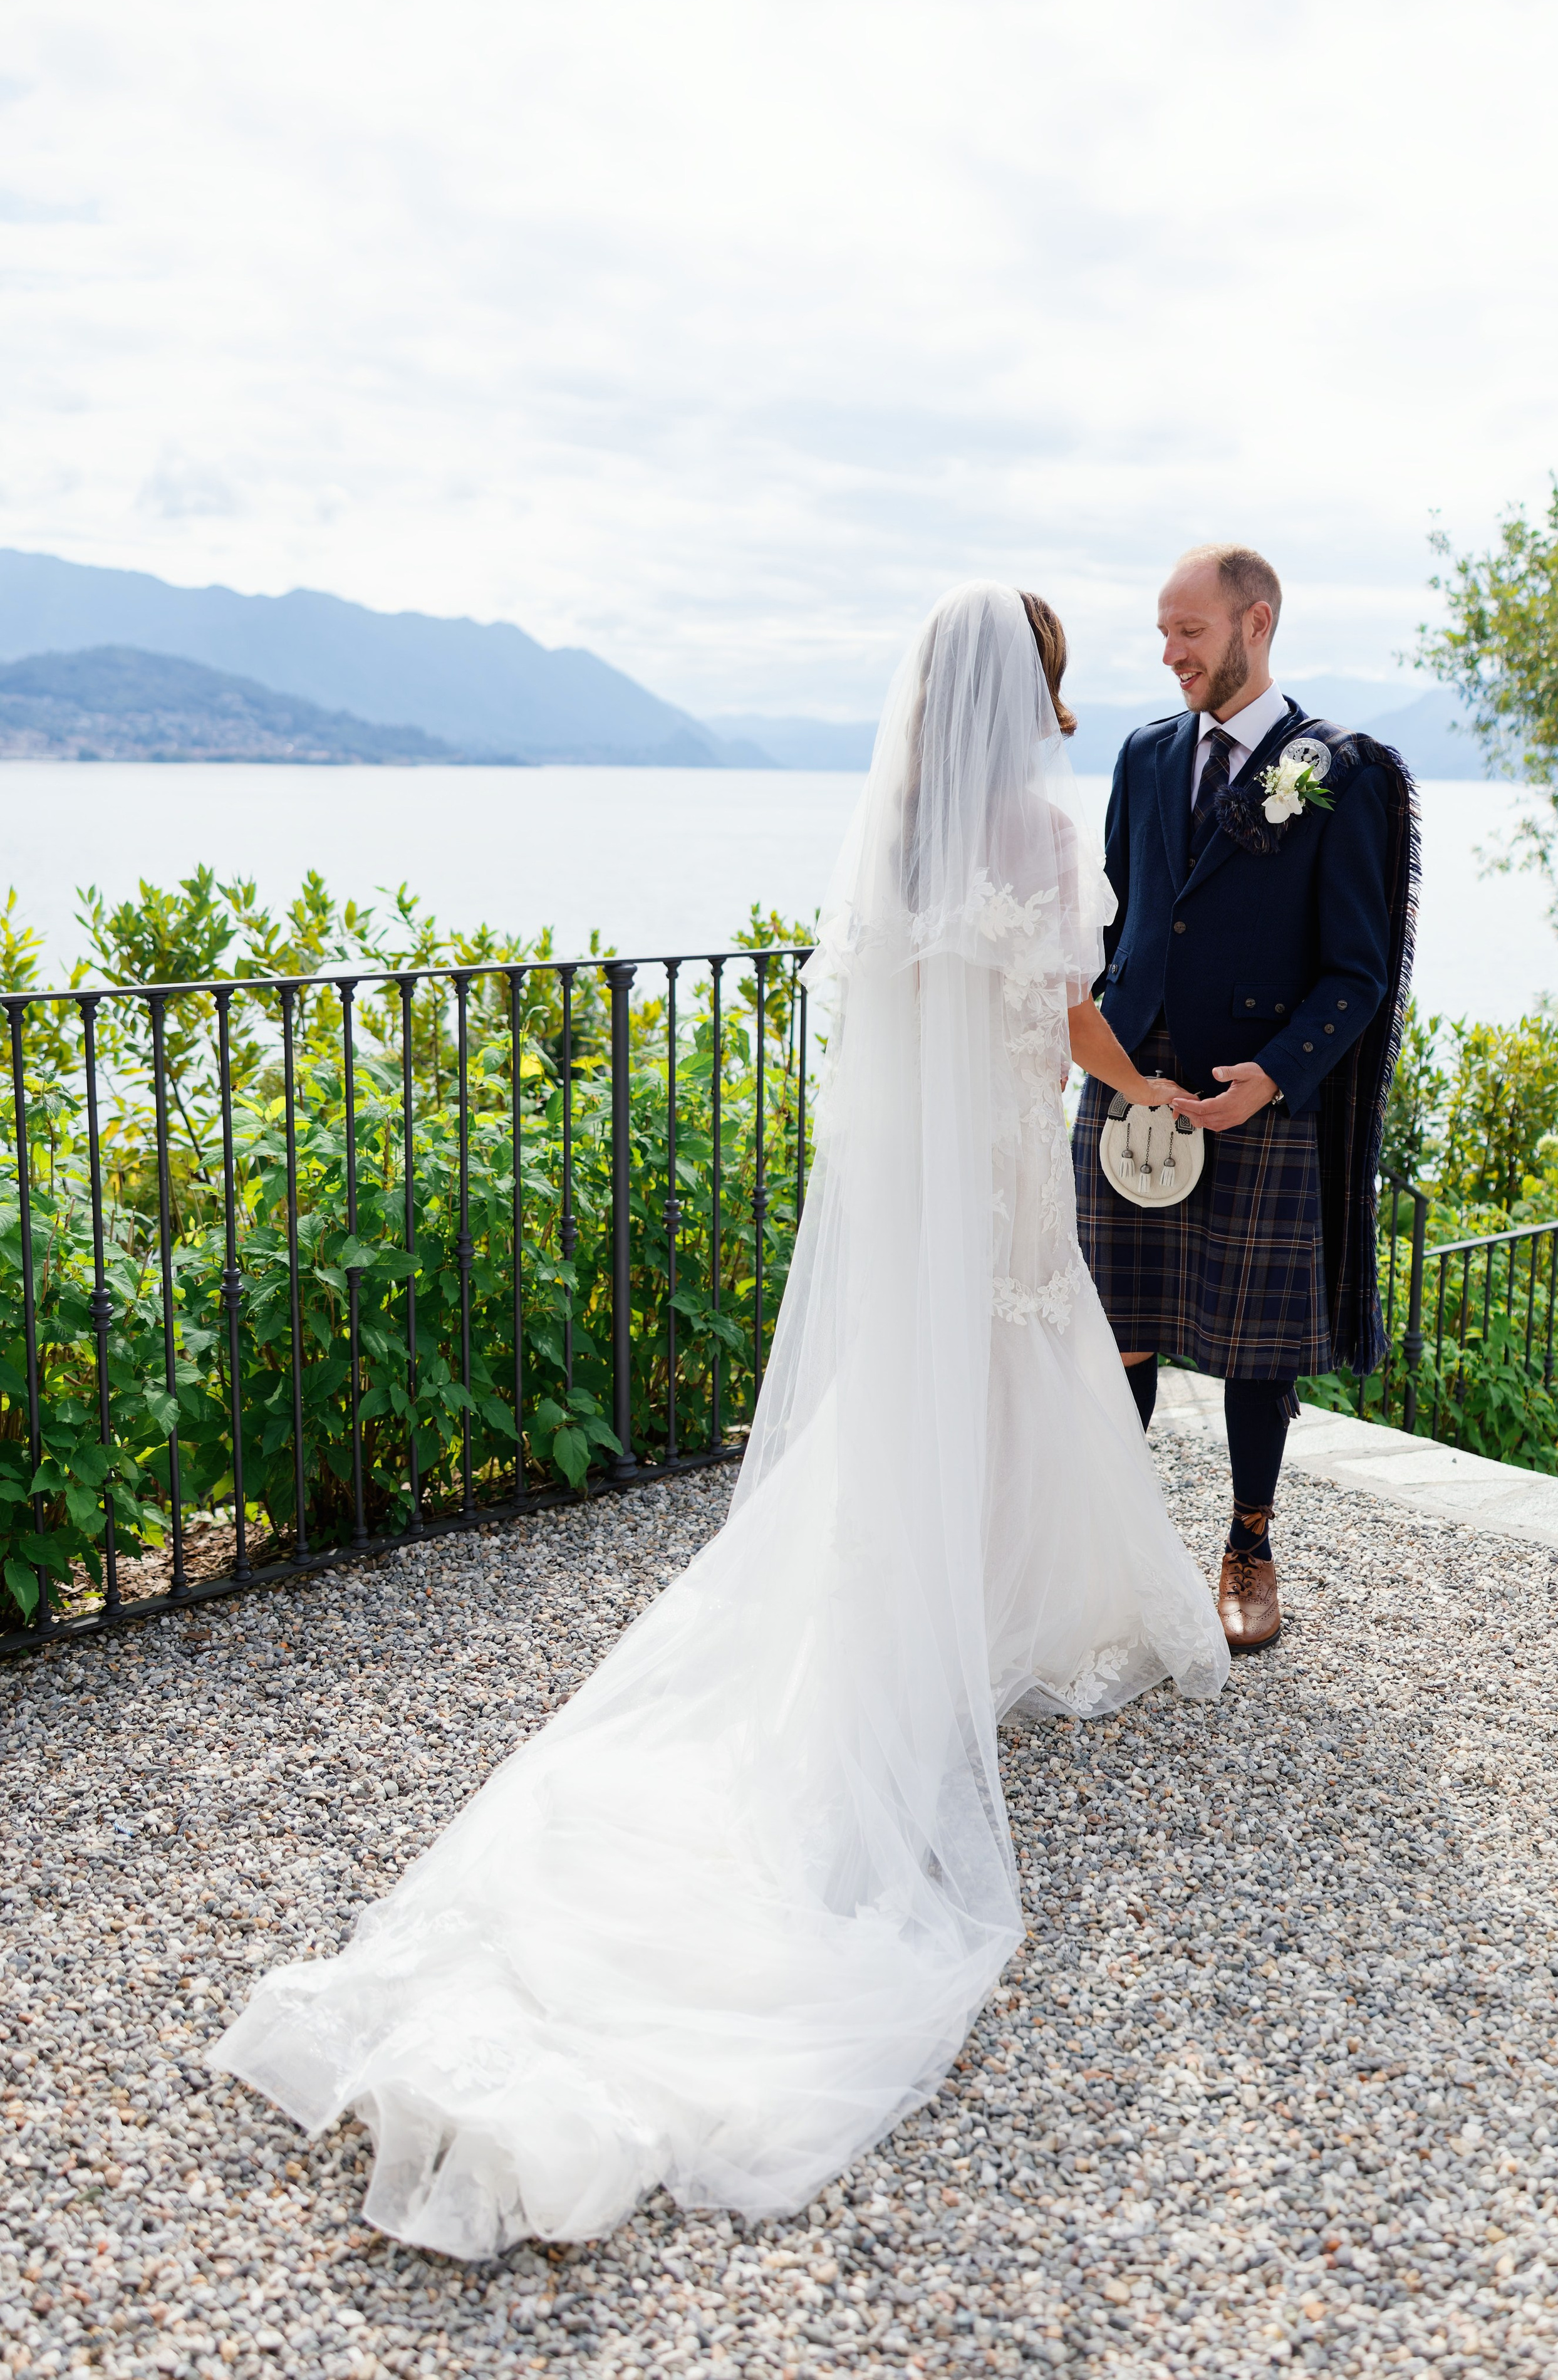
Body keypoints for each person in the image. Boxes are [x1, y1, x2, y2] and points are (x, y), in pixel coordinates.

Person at [209, 581, 1227, 2257]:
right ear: (1025, 686)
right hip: (993, 1174)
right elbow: (1061, 1015)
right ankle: (996, 1624)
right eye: (1057, 671)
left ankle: (942, 1610)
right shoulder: (1039, 833)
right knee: (1022, 1378)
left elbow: (891, 1024)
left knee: (927, 1408)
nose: (1067, 692)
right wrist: (1149, 1089)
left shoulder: (894, 832)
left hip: (914, 1188)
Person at [1071, 545, 1419, 1654]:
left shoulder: (1342, 771)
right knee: (1112, 1324)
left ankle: (1249, 1544)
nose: (1169, 653)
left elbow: (1359, 969)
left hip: (1252, 1089)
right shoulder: (1142, 754)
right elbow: (1123, 913)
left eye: (1190, 633)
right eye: (1163, 633)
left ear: (1255, 624)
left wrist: (1276, 1072)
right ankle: (1115, 1552)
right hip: (1132, 1075)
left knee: (1253, 1343)